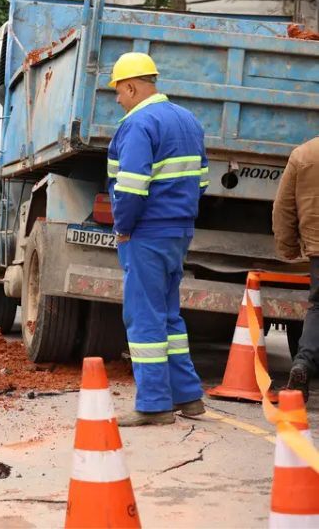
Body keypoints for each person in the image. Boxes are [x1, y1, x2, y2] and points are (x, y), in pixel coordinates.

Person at [106, 52, 207, 426]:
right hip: (178, 229)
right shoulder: (188, 120)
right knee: (168, 316)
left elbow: (130, 187)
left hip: (146, 232)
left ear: (132, 86)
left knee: (144, 317)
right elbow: (201, 182)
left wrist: (123, 227)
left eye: (118, 91)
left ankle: (153, 405)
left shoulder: (137, 124)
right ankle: (188, 397)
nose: (117, 99)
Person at [273, 135, 319, 401]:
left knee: (318, 307)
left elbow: (283, 208)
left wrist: (288, 247)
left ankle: (302, 364)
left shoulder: (304, 154)